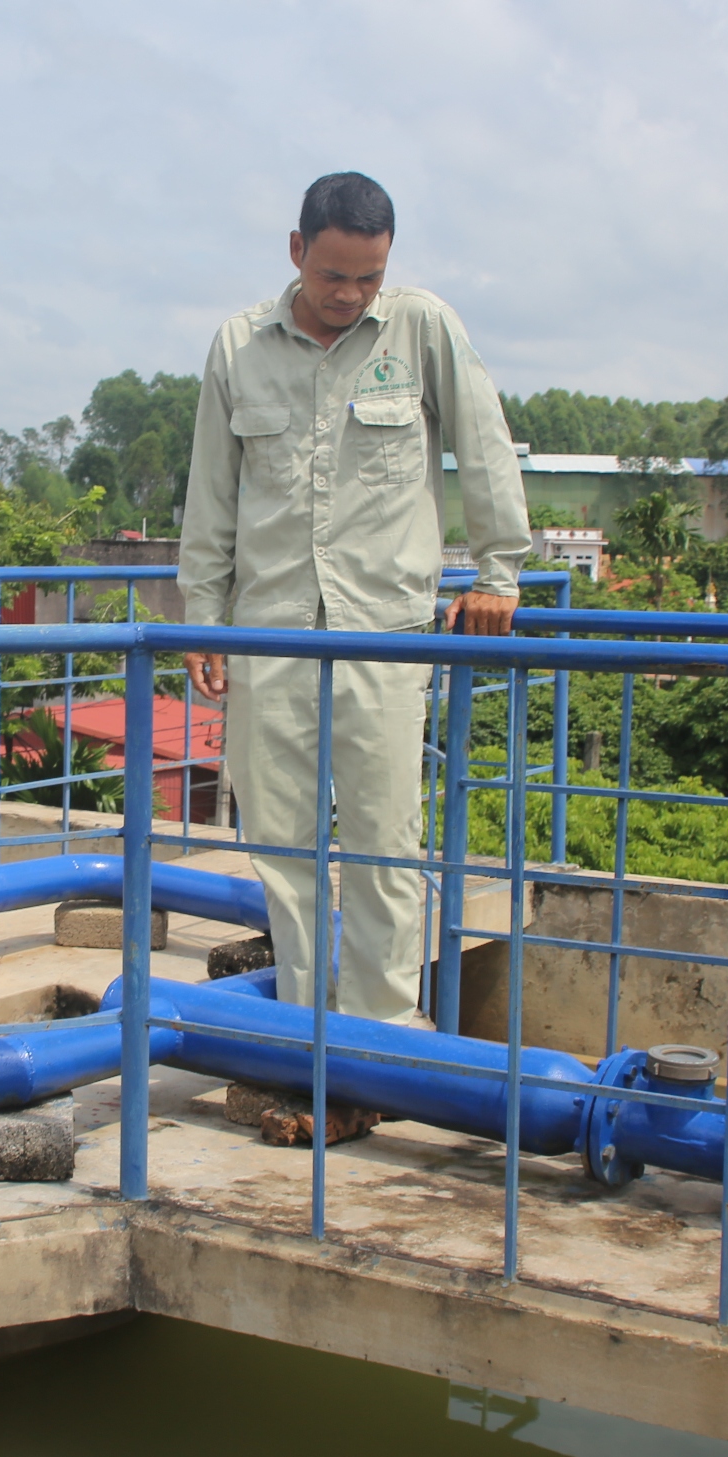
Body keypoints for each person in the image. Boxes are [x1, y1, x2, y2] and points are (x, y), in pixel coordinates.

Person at [180, 173, 533, 1023]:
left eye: (368, 276)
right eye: (333, 274)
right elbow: (211, 497)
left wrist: (497, 575)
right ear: (297, 250)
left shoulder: (422, 328)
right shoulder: (239, 347)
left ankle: (380, 1038)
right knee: (282, 848)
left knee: (384, 844)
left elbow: (486, 453)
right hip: (271, 637)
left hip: (386, 631)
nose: (349, 294)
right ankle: (305, 1028)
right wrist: (204, 622)